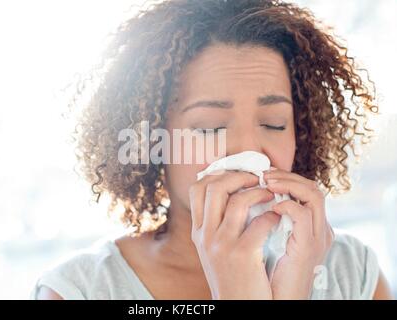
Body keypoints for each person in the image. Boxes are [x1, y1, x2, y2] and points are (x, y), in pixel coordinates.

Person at [32, 0, 393, 299]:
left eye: (274, 123)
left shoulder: (353, 273)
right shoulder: (79, 291)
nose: (250, 148)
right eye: (208, 128)